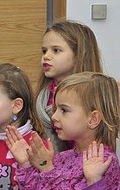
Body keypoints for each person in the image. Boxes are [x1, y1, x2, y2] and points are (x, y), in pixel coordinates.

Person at [37, 21, 103, 153]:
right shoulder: (43, 95)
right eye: (44, 51)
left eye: (56, 50)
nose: (46, 56)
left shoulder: (91, 97)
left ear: (79, 56)